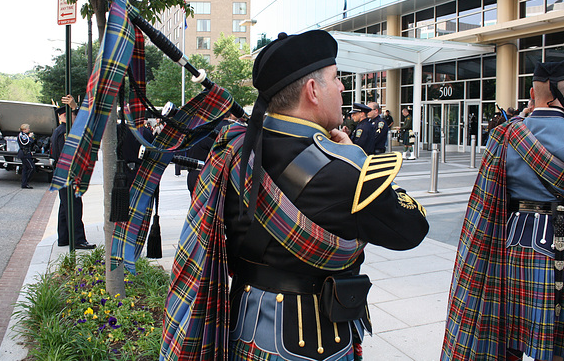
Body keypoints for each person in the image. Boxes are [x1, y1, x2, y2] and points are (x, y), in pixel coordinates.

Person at [161, 30, 429, 360]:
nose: (343, 87)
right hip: (311, 342)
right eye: (336, 78)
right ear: (313, 90)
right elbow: (412, 228)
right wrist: (360, 158)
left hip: (242, 324)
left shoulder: (234, 150)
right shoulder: (344, 171)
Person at [442, 61, 564, 361]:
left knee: (507, 338)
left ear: (531, 92)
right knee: (561, 341)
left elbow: (490, 197)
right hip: (563, 247)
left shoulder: (505, 135)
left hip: (511, 247)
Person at [51, 95, 96, 250]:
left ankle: (63, 237)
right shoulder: (65, 132)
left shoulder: (59, 130)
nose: (75, 117)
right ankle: (78, 239)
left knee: (65, 206)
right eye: (72, 114)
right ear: (65, 116)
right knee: (74, 206)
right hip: (67, 174)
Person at [17, 123, 35, 189]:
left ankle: (24, 183)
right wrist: (30, 137)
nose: (29, 130)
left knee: (25, 168)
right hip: (24, 154)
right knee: (32, 167)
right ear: (24, 129)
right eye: (28, 128)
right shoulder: (22, 135)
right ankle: (25, 181)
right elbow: (25, 143)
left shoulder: (25, 135)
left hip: (27, 152)